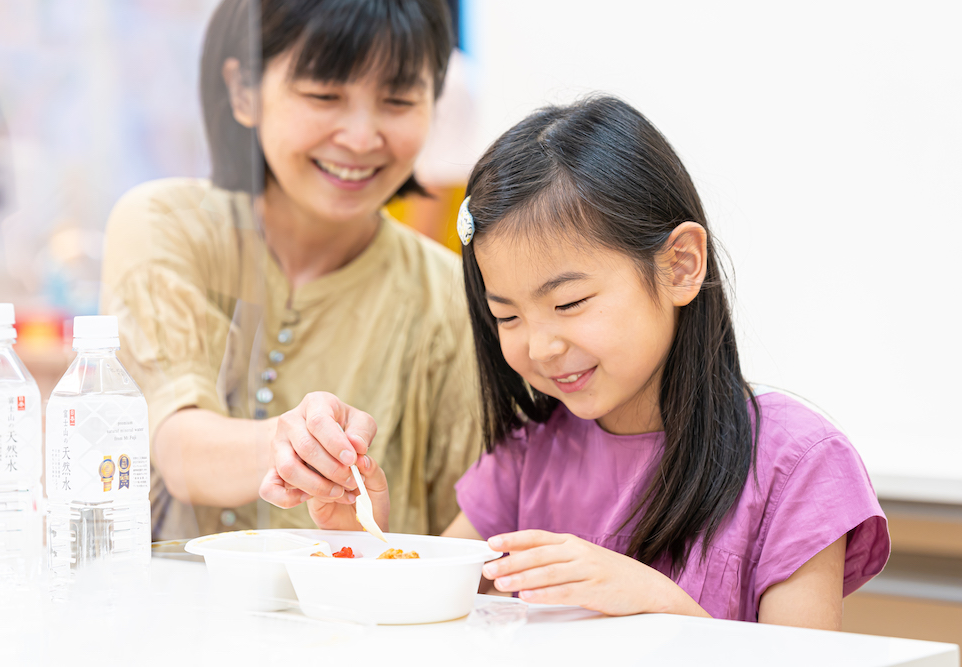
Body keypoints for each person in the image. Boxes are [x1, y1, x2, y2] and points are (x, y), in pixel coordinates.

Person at [301, 95, 891, 627]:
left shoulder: (799, 465)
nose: (540, 347)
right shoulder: (527, 458)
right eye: (507, 315)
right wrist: (361, 531)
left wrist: (659, 605)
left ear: (680, 265)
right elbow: (427, 614)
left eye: (569, 303)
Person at [100, 0, 480, 541]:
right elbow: (179, 446)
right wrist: (293, 442)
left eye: (398, 100)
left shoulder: (456, 299)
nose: (361, 138)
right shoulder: (166, 225)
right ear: (243, 92)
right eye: (324, 96)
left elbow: (474, 530)